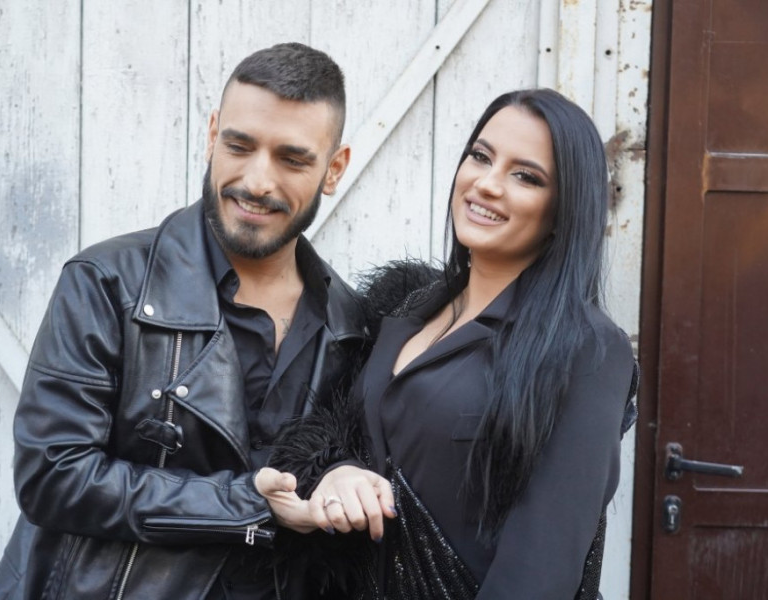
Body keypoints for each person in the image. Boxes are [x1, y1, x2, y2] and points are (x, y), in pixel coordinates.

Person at [0, 42, 367, 600]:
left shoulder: (351, 325)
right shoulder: (109, 282)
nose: (257, 181)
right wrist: (245, 502)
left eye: (292, 159)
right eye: (239, 146)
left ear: (334, 169)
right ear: (212, 136)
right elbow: (53, 476)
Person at [274, 88, 639, 599]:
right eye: (481, 157)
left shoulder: (589, 349)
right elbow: (345, 436)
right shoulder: (406, 310)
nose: (487, 183)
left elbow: (540, 575)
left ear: (564, 210)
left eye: (526, 176)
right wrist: (336, 471)